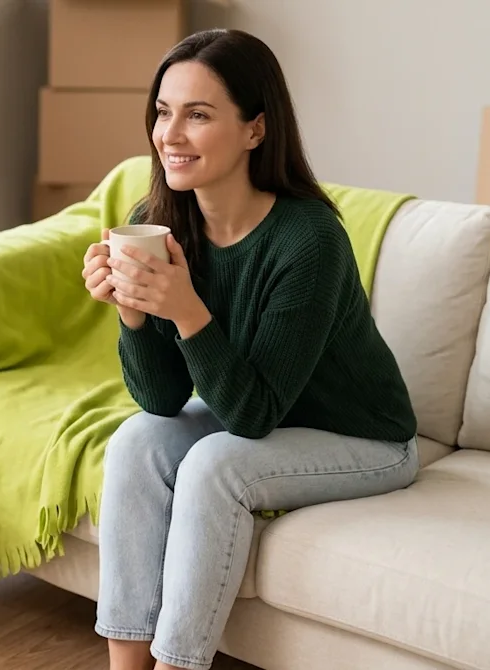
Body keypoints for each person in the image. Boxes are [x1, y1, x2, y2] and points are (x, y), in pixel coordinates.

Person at [80, 29, 419, 670]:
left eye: (198, 115)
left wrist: (183, 307)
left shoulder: (307, 239)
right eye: (163, 112)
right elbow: (161, 399)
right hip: (266, 417)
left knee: (214, 465)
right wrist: (132, 313)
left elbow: (251, 416)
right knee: (134, 440)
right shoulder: (162, 217)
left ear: (255, 130)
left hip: (365, 437)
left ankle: (179, 664)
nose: (170, 135)